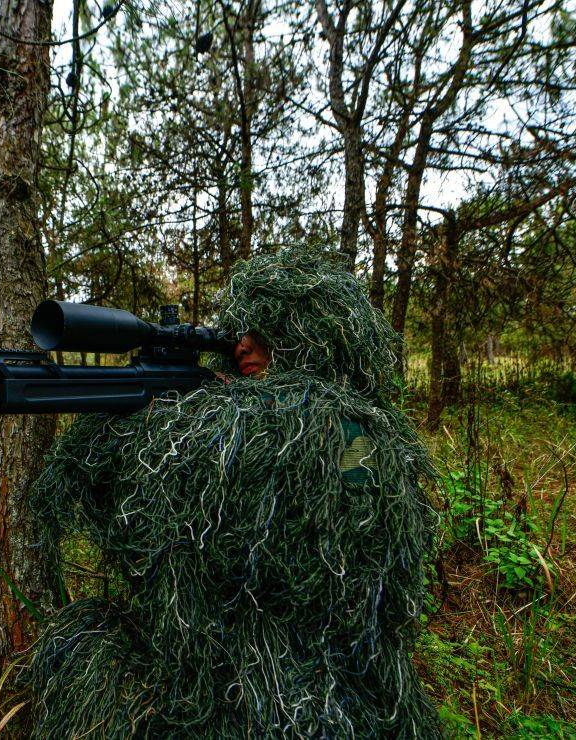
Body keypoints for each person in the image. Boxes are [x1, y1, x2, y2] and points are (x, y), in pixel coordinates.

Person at [30, 248, 439, 737]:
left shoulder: (351, 426)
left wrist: (187, 425)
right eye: (238, 332)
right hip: (228, 649)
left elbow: (352, 541)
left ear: (307, 332)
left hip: (308, 669)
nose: (242, 345)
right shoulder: (239, 411)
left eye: (260, 331)